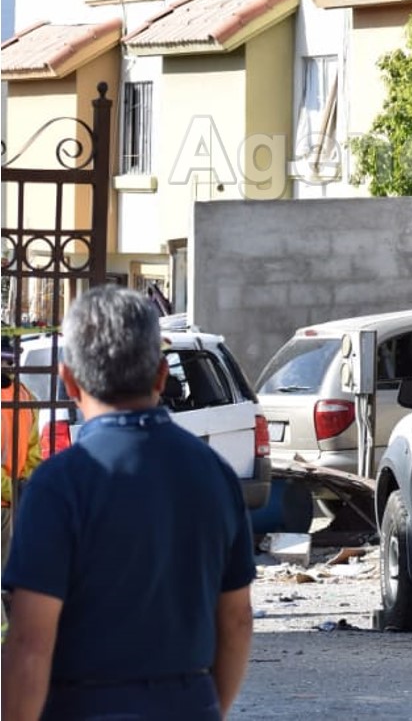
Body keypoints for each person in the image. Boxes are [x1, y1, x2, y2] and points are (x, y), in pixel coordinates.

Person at [1, 286, 256, 721]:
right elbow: (236, 621)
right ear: (161, 376)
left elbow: (30, 641)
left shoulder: (60, 483)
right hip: (188, 702)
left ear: (69, 381)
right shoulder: (215, 474)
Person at [2, 340, 45, 560]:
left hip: (11, 504)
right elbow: (33, 455)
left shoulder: (25, 396)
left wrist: (20, 490)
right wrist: (20, 490)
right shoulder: (25, 396)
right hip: (13, 502)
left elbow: (32, 453)